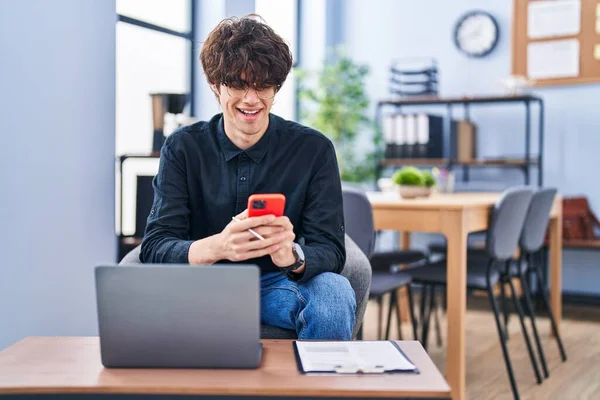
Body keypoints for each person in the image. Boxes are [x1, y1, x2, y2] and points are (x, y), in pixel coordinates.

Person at [140, 14, 356, 340]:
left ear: (277, 87)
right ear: (215, 86)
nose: (251, 98)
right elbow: (155, 246)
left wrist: (291, 255)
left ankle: (317, 391)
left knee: (333, 292)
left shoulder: (314, 149)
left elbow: (330, 248)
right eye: (238, 84)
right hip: (203, 286)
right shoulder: (183, 147)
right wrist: (218, 247)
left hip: (277, 286)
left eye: (263, 85)